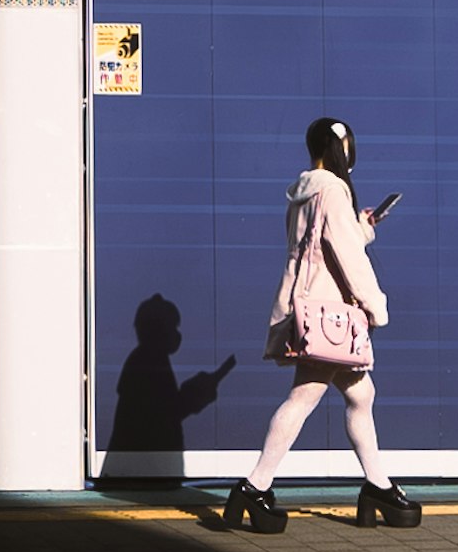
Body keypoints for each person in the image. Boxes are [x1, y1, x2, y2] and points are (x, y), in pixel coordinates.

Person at [221, 116, 422, 530]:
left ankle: (376, 484)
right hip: (330, 316)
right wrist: (377, 307)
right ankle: (254, 486)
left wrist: (361, 227)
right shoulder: (333, 189)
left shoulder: (304, 190)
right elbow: (349, 258)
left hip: (310, 306)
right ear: (340, 147)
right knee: (305, 396)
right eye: (348, 144)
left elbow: (320, 242)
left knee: (361, 394)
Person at [99, 295, 235, 499]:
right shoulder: (148, 361)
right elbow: (163, 414)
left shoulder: (145, 358)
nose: (176, 335)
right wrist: (199, 389)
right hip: (144, 474)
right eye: (172, 327)